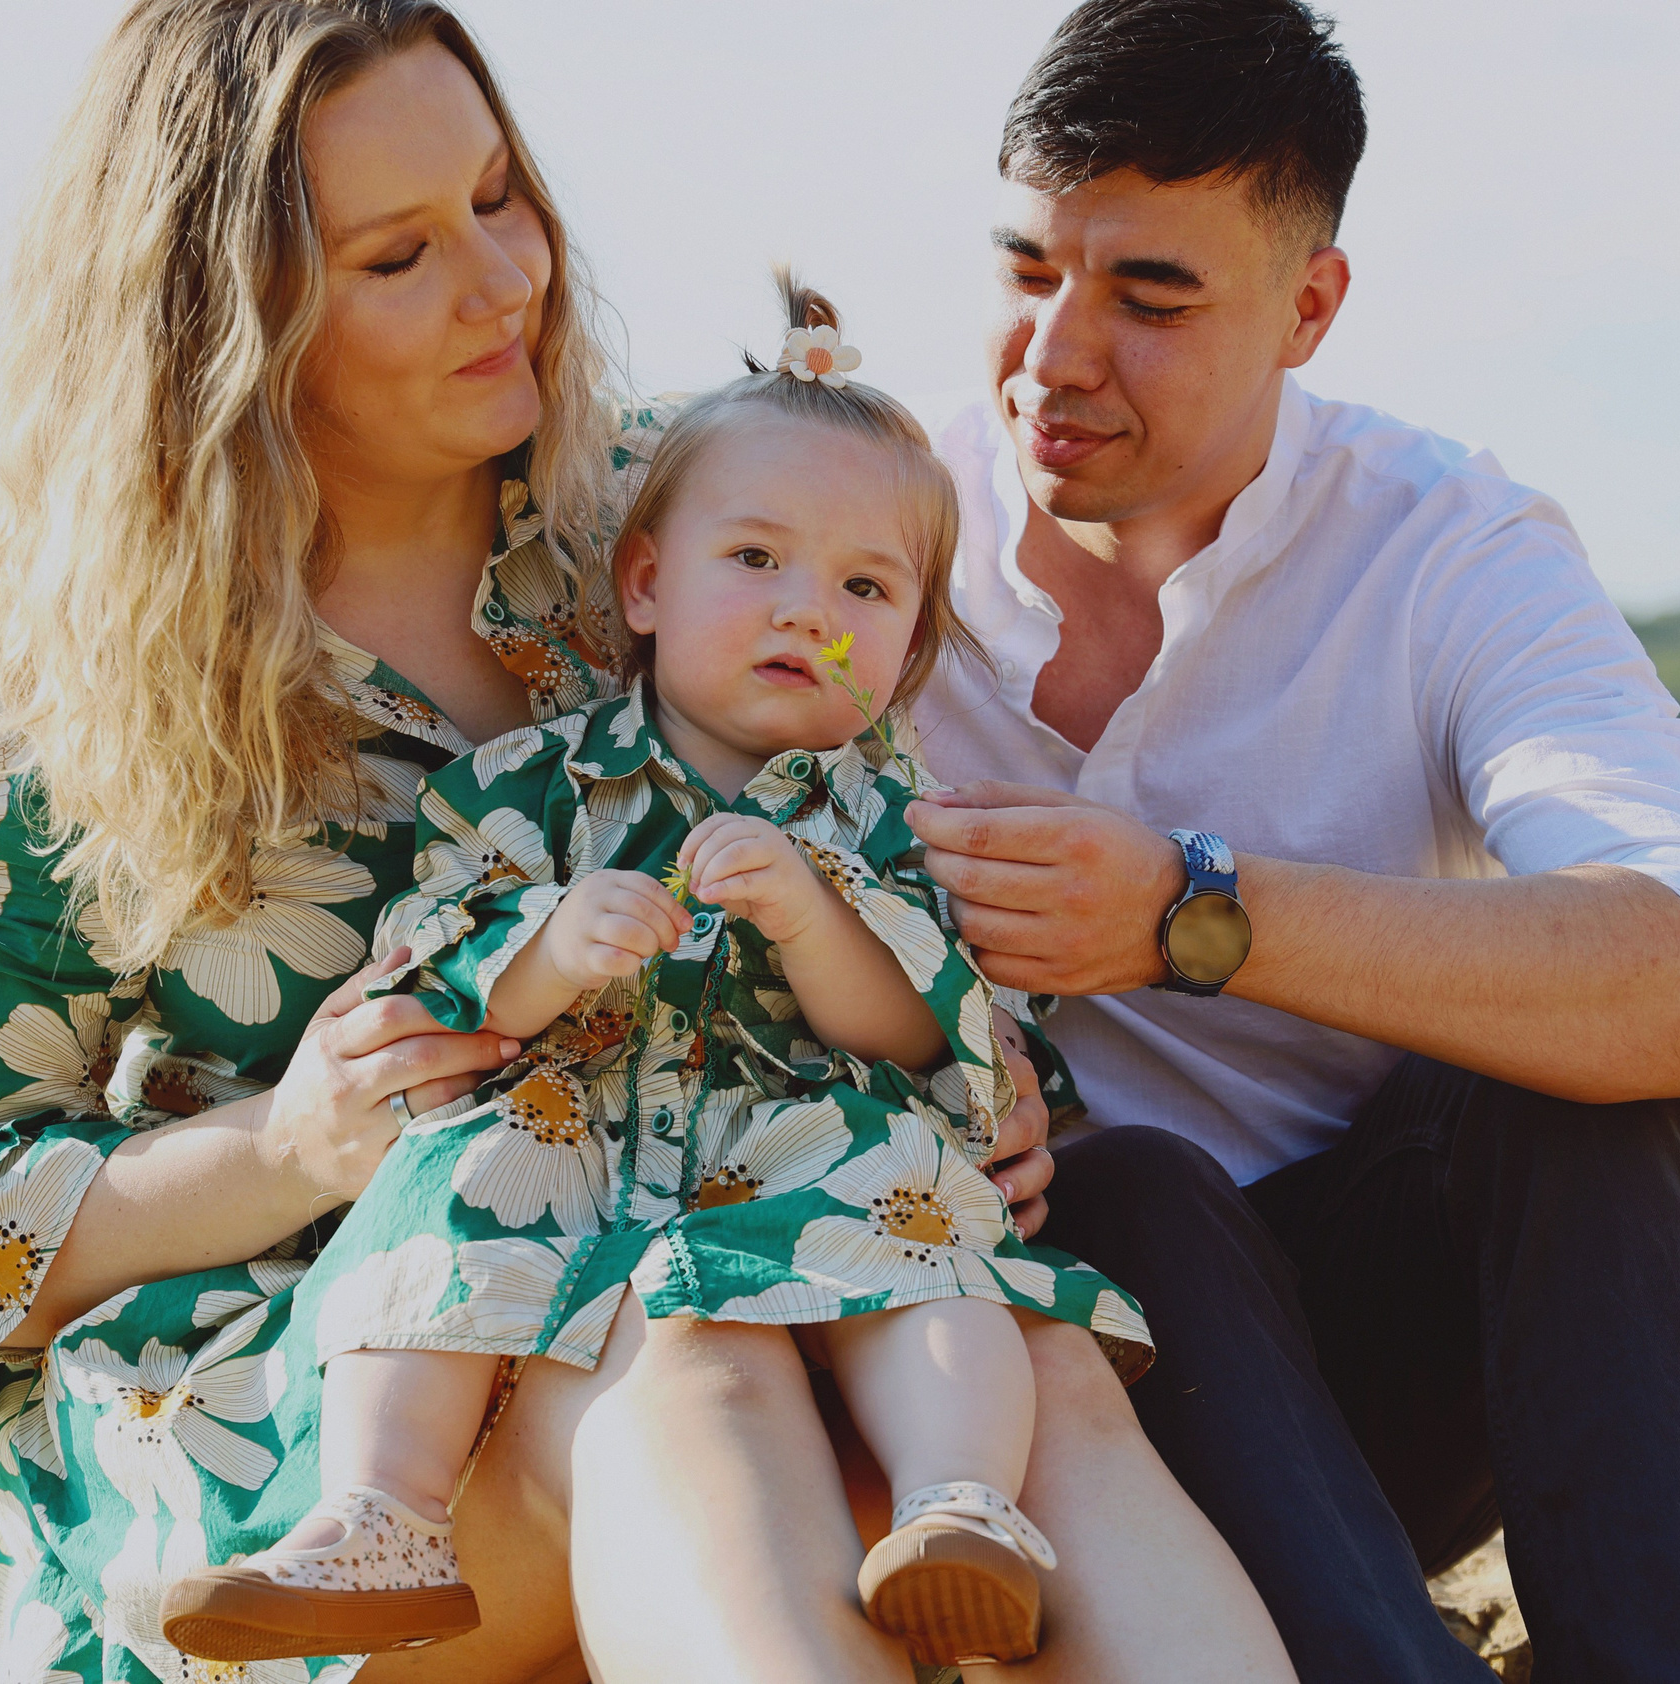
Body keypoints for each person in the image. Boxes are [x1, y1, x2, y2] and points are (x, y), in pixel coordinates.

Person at [0, 4, 1290, 1681]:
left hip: (729, 1240)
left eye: (502, 195)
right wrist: (289, 1145)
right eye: (399, 255)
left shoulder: (692, 509)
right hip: (335, 1412)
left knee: (1037, 1375)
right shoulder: (50, 689)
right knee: (680, 1353)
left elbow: (874, 837)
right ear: (227, 317)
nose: (503, 279)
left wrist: (993, 1084)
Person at [902, 2, 1680, 1680]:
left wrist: (1194, 910)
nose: (1056, 356)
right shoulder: (856, 530)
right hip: (1024, 1393)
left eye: (1149, 297)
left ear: (1310, 307)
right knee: (1130, 1183)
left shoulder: (1448, 545)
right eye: (1030, 269)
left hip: (1374, 1363)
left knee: (1568, 1082)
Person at [158, 280, 1154, 1672]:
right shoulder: (529, 787)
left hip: (797, 1136)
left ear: (911, 647)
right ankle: (379, 1512)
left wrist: (819, 926)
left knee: (932, 1241)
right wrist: (548, 953)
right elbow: (432, 981)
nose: (809, 610)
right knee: (437, 1195)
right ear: (645, 583)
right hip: (567, 1122)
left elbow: (924, 1030)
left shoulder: (888, 820)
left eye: (866, 588)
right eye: (756, 559)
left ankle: (959, 1502)